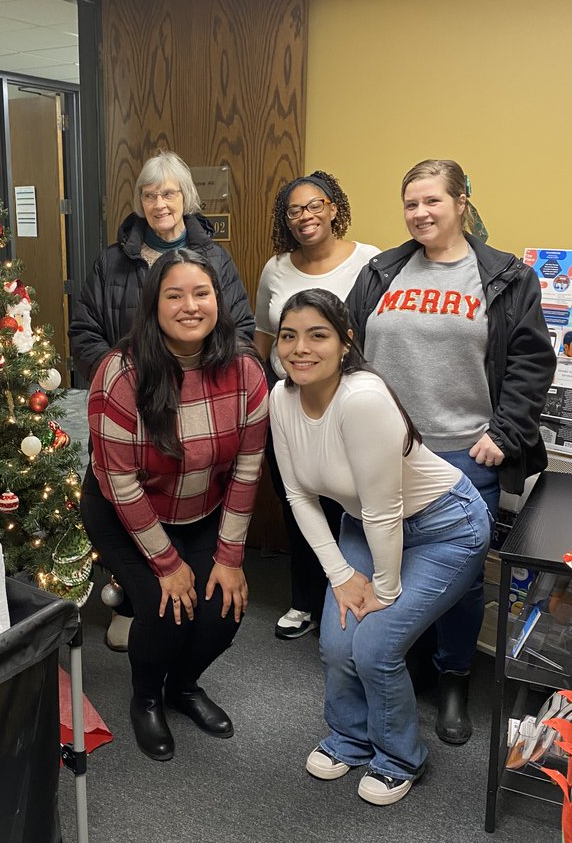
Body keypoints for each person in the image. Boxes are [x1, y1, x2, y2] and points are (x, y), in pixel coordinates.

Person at [347, 159, 554, 744]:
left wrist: (505, 434)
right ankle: (405, 664)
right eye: (410, 203)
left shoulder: (505, 277)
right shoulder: (382, 270)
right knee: (392, 562)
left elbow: (530, 364)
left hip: (464, 457)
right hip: (387, 453)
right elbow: (354, 351)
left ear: (462, 203)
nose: (420, 213)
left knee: (460, 582)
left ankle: (455, 677)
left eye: (432, 201)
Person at [269, 288, 491, 804]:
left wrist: (383, 592)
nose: (301, 348)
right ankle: (349, 736)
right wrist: (342, 578)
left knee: (375, 644)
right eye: (289, 336)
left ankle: (398, 757)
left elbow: (384, 510)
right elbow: (299, 493)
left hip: (445, 527)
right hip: (363, 526)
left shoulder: (363, 398)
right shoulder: (280, 398)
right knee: (338, 642)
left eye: (317, 335)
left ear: (346, 342)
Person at [82, 249, 267, 761]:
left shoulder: (246, 371)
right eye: (175, 295)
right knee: (166, 611)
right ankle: (145, 699)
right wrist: (166, 565)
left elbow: (247, 470)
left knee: (224, 611)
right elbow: (118, 480)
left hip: (201, 507)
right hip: (125, 512)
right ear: (153, 306)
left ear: (219, 300)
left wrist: (229, 558)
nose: (190, 306)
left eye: (201, 293)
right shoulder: (120, 373)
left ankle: (181, 688)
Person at [70, 150, 255, 652]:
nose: (159, 204)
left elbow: (242, 330)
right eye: (150, 195)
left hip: (200, 409)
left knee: (183, 502)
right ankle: (132, 601)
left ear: (186, 198)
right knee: (127, 491)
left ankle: (172, 607)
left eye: (169, 193)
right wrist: (125, 377)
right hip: (130, 408)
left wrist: (204, 381)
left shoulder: (214, 258)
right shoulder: (112, 260)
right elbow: (83, 330)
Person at [254, 170, 378, 640]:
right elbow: (263, 336)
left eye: (314, 205)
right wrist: (268, 387)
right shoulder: (276, 267)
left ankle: (348, 592)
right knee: (298, 500)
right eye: (294, 210)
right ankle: (304, 600)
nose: (304, 217)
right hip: (290, 404)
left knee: (348, 502)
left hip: (346, 403)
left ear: (333, 207)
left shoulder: (369, 261)